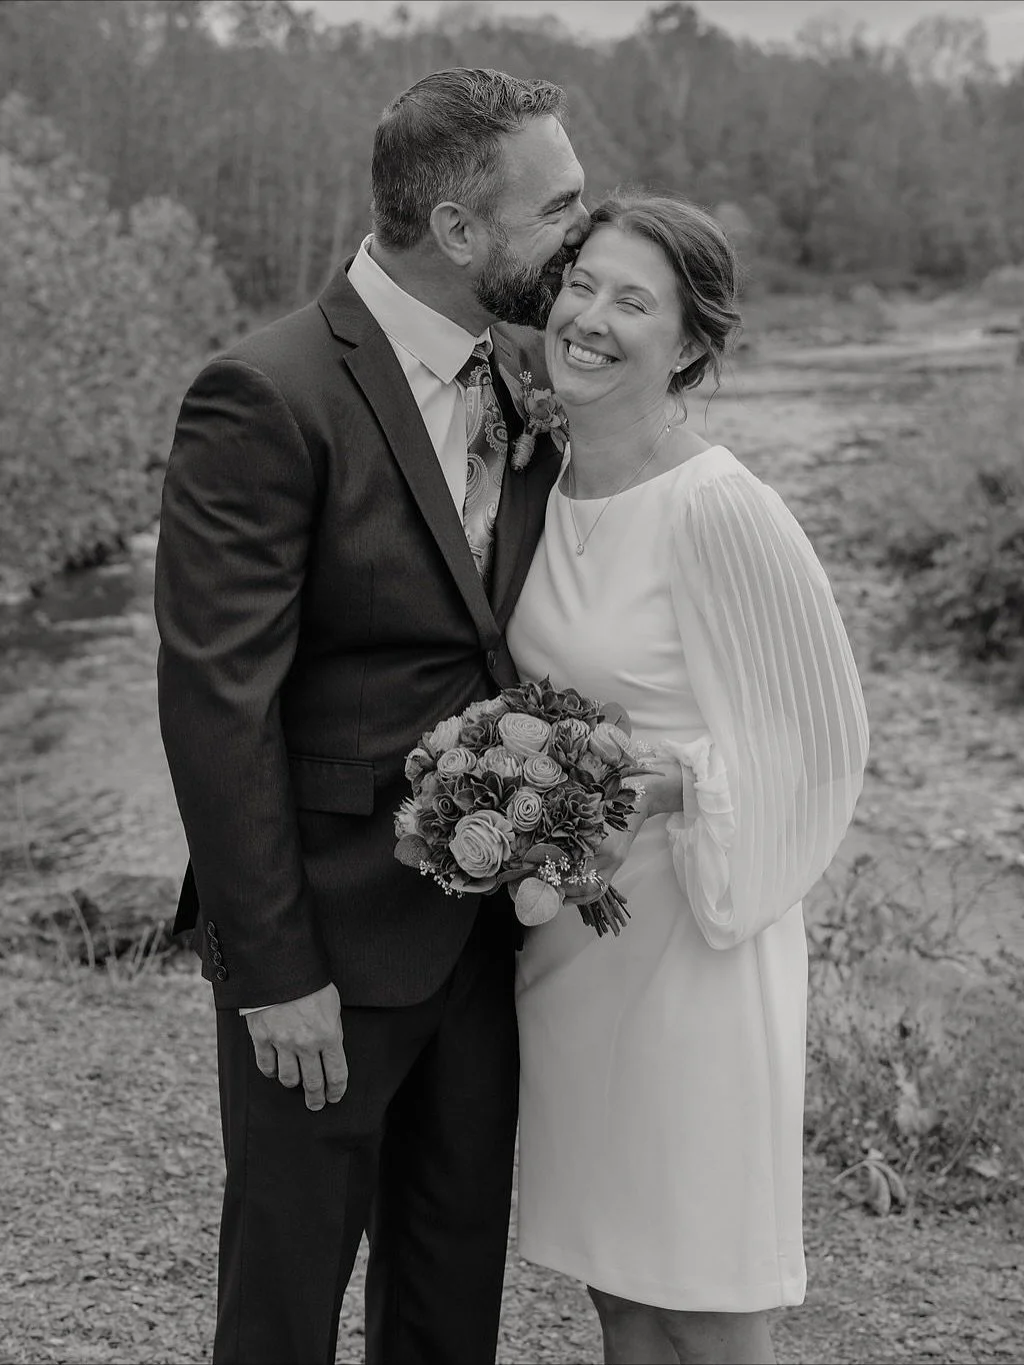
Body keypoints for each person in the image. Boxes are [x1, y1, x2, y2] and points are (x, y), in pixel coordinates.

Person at [154, 68, 588, 1365]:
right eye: (559, 205)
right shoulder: (266, 391)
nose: (585, 227)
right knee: (285, 1304)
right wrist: (273, 970)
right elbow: (215, 704)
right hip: (327, 948)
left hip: (481, 946)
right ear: (460, 231)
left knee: (451, 1303)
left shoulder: (521, 381)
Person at [507, 193, 870, 1365]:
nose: (592, 317)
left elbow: (820, 737)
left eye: (634, 300)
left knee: (705, 1294)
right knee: (617, 1280)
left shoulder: (721, 508)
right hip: (575, 941)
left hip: (698, 938)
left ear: (691, 345)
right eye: (582, 283)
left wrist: (659, 786)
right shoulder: (535, 485)